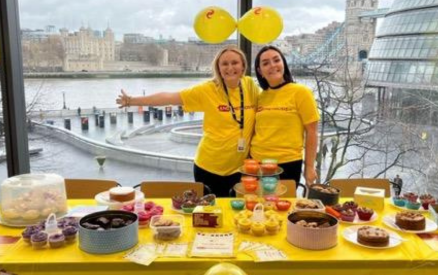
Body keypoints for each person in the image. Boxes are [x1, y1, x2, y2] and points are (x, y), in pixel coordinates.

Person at [116, 46, 260, 197]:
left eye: (234, 62)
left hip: (240, 169)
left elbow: (268, 104)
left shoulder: (250, 86)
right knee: (209, 215)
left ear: (243, 65)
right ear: (218, 67)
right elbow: (169, 97)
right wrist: (131, 101)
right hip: (208, 167)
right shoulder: (208, 90)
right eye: (224, 64)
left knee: (236, 214)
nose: (230, 68)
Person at [250, 45, 320, 187]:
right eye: (265, 63)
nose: (272, 65)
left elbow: (312, 132)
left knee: (281, 207)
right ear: (260, 71)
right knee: (255, 206)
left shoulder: (301, 92)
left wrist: (309, 167)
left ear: (283, 64)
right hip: (256, 163)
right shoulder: (259, 97)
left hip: (287, 163)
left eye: (276, 60)